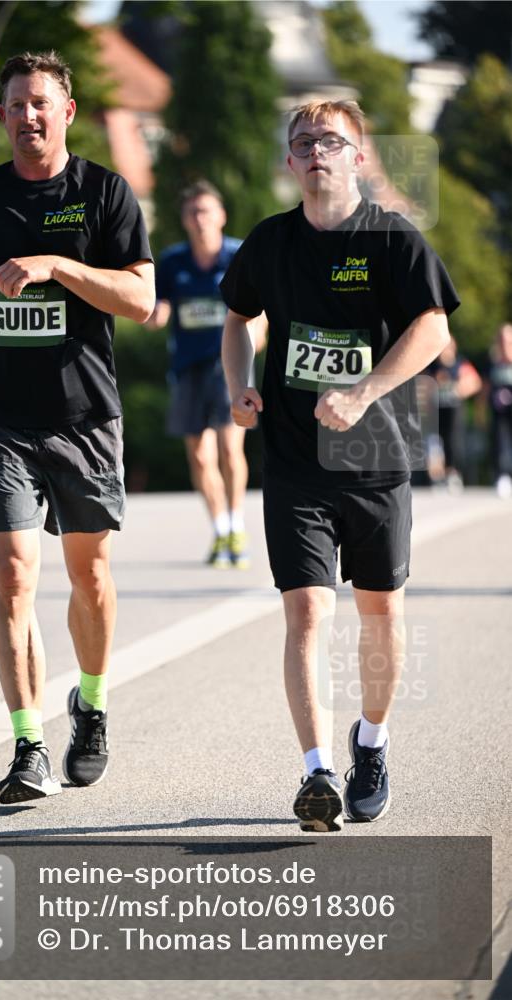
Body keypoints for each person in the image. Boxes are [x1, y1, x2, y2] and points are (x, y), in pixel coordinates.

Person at [0, 51, 154, 805]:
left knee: (90, 579)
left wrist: (56, 263)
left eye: (41, 103)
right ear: (3, 117)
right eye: (15, 105)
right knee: (14, 578)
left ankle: (91, 702)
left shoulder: (103, 192)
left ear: (67, 112)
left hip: (84, 415)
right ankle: (26, 743)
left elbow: (140, 299)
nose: (28, 117)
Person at [220, 100, 460, 832]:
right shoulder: (268, 243)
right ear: (289, 164)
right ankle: (317, 772)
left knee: (379, 610)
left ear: (357, 156)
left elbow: (434, 329)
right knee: (306, 609)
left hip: (376, 454)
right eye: (302, 142)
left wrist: (363, 392)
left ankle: (371, 743)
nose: (316, 149)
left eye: (331, 139)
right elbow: (237, 318)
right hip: (294, 458)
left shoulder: (392, 239)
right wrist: (239, 384)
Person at [146, 181, 265, 568]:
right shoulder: (172, 261)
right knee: (199, 456)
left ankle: (236, 525)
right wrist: (151, 314)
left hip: (227, 367)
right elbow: (160, 306)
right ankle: (219, 530)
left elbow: (259, 309)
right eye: (193, 213)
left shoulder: (238, 255)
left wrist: (257, 337)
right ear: (184, 219)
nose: (200, 220)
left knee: (231, 449)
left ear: (221, 216)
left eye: (207, 212)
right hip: (187, 367)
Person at [426, 335, 481, 491]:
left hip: (454, 413)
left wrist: (458, 388)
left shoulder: (460, 364)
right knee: (434, 444)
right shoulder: (432, 366)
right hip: (435, 414)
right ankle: (437, 477)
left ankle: (452, 474)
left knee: (453, 442)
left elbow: (475, 382)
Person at [486, 322, 512, 498]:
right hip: (498, 412)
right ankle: (502, 476)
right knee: (499, 443)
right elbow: (485, 387)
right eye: (502, 340)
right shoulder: (492, 363)